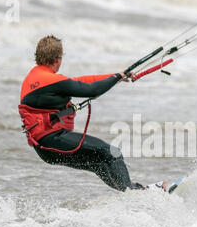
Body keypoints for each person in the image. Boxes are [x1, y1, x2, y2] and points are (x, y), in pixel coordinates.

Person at [19, 35, 144, 192]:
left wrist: (115, 77)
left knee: (99, 162)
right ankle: (133, 195)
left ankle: (132, 191)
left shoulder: (33, 79)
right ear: (58, 59)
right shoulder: (52, 80)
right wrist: (116, 77)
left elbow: (81, 81)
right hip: (53, 141)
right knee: (113, 153)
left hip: (45, 149)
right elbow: (91, 89)